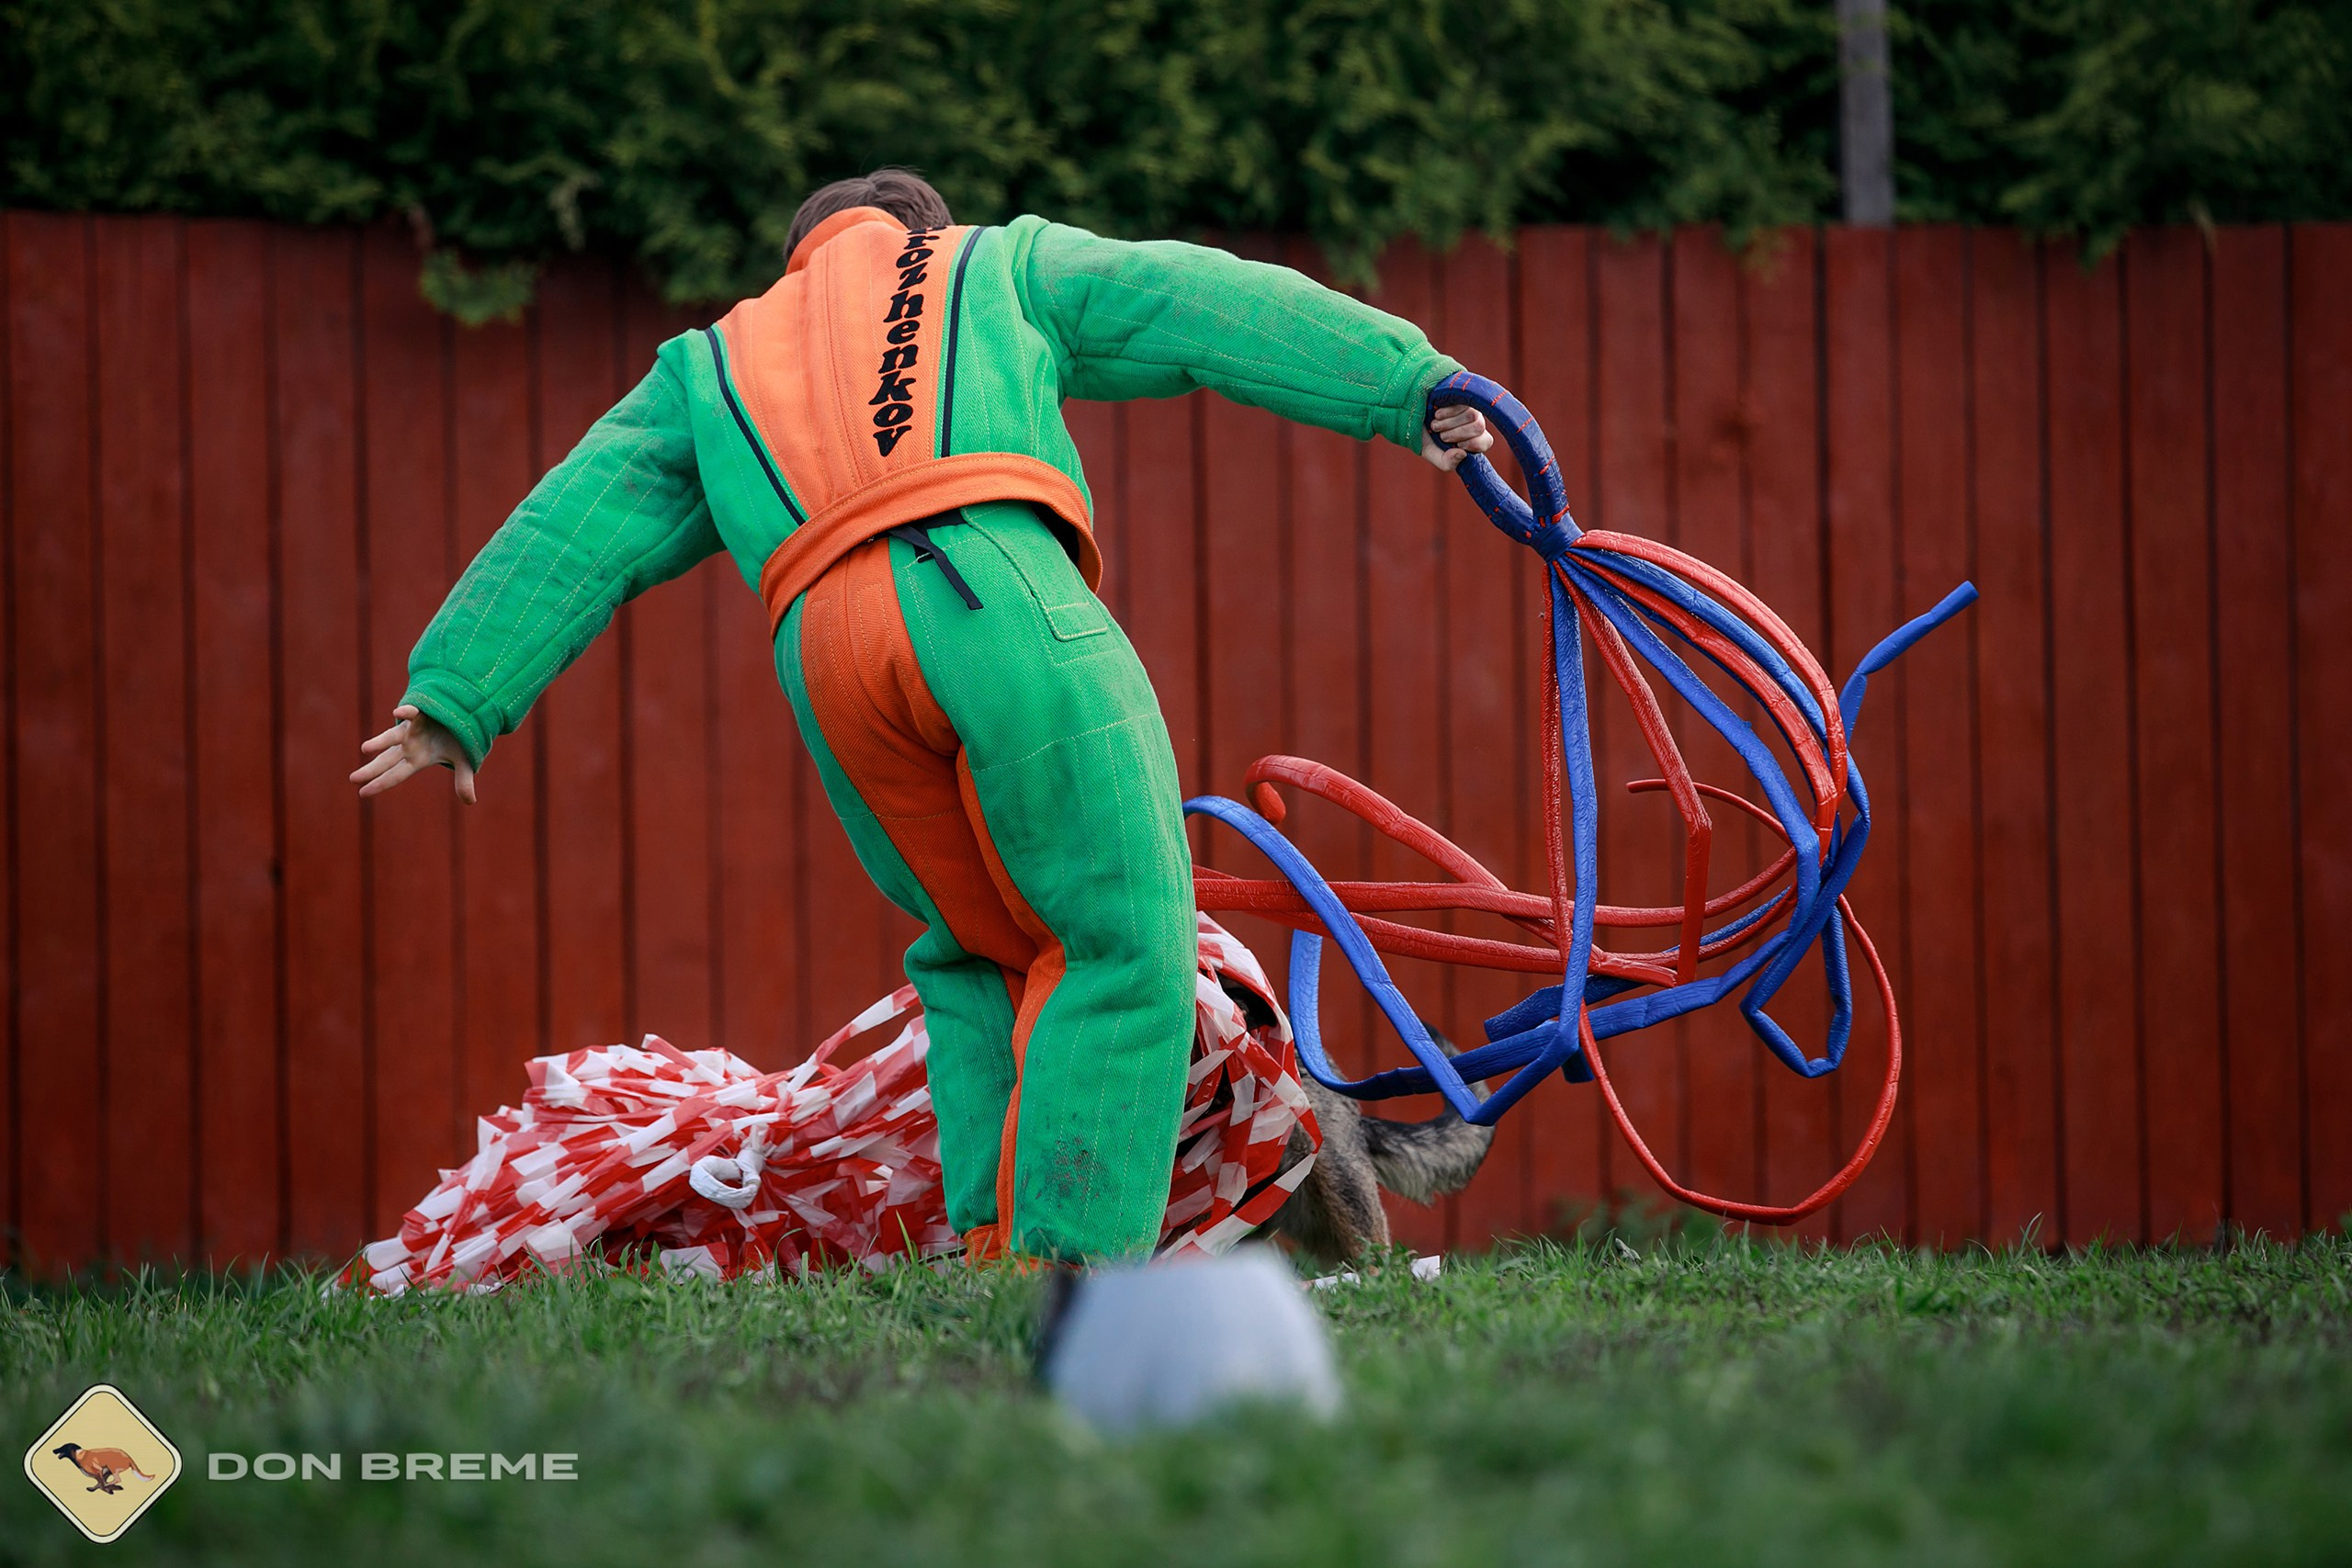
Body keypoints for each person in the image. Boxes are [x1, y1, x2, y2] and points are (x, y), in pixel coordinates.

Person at [351, 168, 1495, 1265]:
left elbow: (580, 519)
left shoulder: (714, 359)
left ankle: (984, 1249)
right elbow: (1203, 302)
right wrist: (1408, 384)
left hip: (829, 654)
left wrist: (459, 692)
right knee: (1118, 937)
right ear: (921, 228)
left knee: (975, 956)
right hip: (993, 589)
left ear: (800, 258)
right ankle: (1069, 1270)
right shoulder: (990, 267)